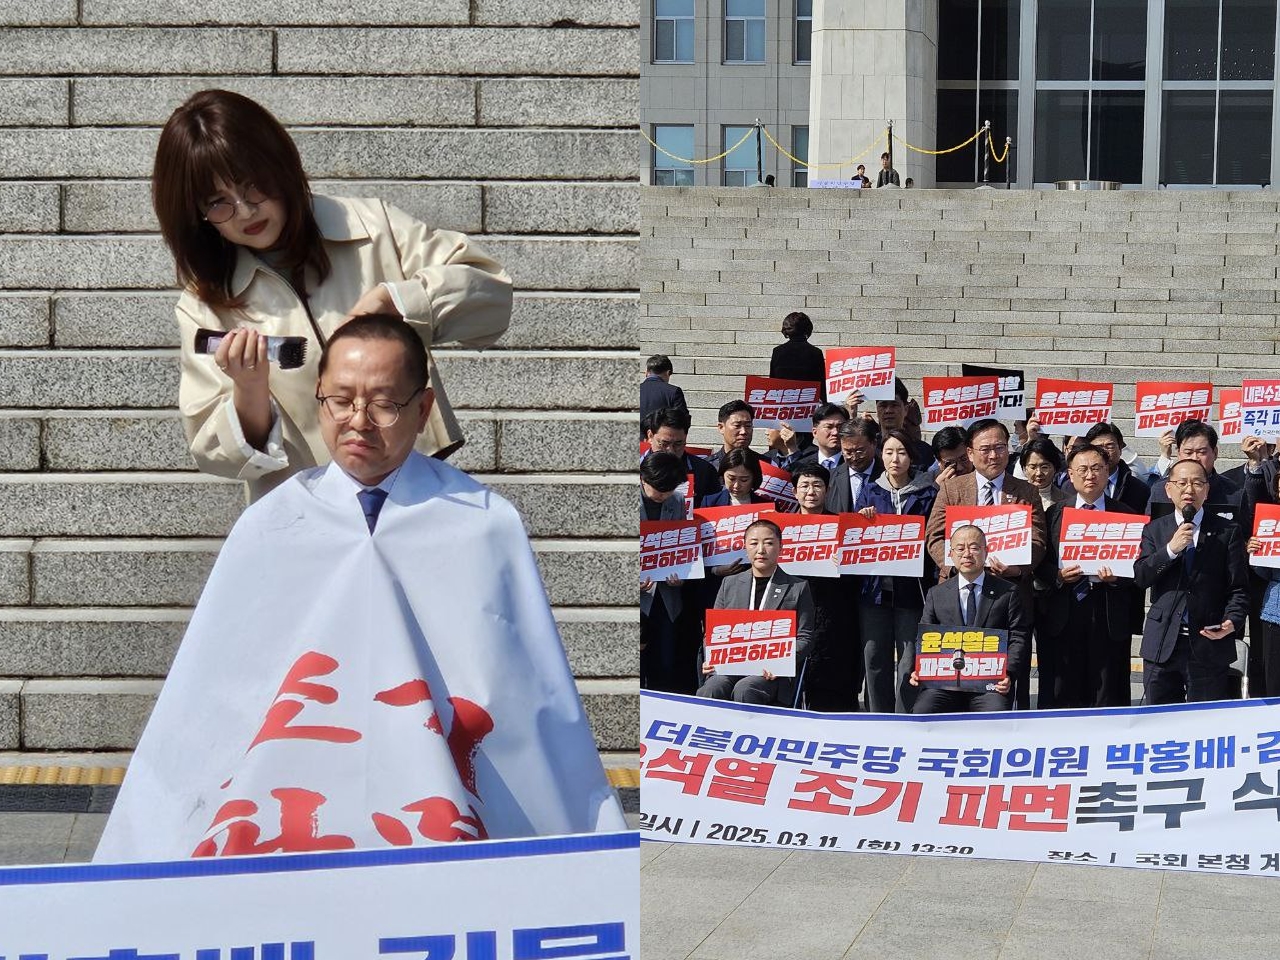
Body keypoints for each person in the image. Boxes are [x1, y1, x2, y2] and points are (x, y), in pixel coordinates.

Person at [95, 314, 621, 861]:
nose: (359, 421)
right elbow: (219, 688)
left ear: (422, 410)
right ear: (318, 399)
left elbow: (522, 693)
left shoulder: (484, 522)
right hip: (291, 808)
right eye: (340, 400)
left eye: (384, 403)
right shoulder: (272, 523)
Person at [153, 90, 512, 502]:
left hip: (416, 492)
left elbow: (490, 292)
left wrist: (401, 302)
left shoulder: (372, 227)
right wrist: (248, 391)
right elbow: (214, 450)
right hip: (302, 511)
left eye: (254, 187)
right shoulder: (206, 304)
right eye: (218, 203)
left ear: (281, 166)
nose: (245, 211)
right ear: (194, 215)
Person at [925, 418, 1046, 709]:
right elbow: (934, 537)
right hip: (960, 592)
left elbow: (1038, 541)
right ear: (969, 453)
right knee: (954, 673)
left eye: (1000, 448)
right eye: (986, 449)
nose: (994, 455)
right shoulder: (953, 489)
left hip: (1009, 593)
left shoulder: (1025, 491)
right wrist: (959, 565)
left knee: (1008, 676)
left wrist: (1017, 568)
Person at [1134, 459, 1250, 704]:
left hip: (1208, 642)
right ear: (1168, 489)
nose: (1189, 490)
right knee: (1158, 720)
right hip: (1163, 642)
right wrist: (1171, 550)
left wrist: (1232, 620)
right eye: (1182, 483)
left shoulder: (1227, 531)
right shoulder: (1154, 529)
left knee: (1204, 722)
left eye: (1197, 483)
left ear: (1207, 490)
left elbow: (1238, 587)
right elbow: (1142, 576)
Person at [1038, 443, 1142, 709]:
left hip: (1108, 611)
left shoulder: (1126, 515)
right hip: (1065, 608)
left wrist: (1117, 578)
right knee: (1062, 691)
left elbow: (1139, 568)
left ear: (1108, 472)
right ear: (1070, 475)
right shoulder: (1054, 514)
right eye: (1082, 469)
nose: (1090, 475)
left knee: (1107, 690)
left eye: (1097, 468)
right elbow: (1041, 563)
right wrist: (1059, 575)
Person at [857, 429, 938, 713]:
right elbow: (855, 533)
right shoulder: (870, 489)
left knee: (909, 659)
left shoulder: (928, 492)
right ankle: (878, 717)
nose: (895, 459)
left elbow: (934, 534)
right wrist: (862, 519)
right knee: (874, 656)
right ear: (881, 455)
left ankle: (906, 716)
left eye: (901, 452)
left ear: (911, 457)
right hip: (875, 590)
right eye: (889, 452)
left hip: (912, 589)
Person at [696, 519, 815, 707]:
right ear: (745, 547)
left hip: (771, 672)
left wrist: (782, 662)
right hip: (730, 666)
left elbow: (805, 637)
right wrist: (711, 656)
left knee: (746, 688)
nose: (761, 550)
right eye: (753, 543)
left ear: (781, 547)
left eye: (768, 543)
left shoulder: (798, 587)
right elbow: (712, 632)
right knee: (712, 689)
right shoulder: (729, 583)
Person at [911, 525, 1029, 714]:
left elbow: (1018, 636)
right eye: (960, 548)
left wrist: (1008, 672)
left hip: (989, 683)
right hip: (945, 684)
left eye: (974, 547)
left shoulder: (1007, 592)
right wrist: (918, 669)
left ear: (986, 551)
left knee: (995, 717)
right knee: (923, 712)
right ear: (950, 554)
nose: (967, 554)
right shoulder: (936, 593)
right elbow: (924, 639)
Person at [791, 462, 860, 711]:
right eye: (805, 486)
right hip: (793, 611)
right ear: (794, 492)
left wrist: (846, 563)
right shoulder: (781, 527)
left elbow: (858, 576)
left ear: (828, 490)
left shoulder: (843, 526)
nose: (811, 491)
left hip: (833, 610)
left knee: (832, 684)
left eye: (817, 485)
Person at [641, 450, 694, 694]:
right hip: (638, 597)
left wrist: (680, 577)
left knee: (665, 662)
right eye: (659, 490)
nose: (663, 495)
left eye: (669, 489)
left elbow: (681, 546)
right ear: (643, 479)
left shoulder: (676, 502)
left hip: (665, 596)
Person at [644, 406, 720, 501]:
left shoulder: (704, 471)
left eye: (678, 444)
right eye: (664, 443)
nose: (670, 450)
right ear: (650, 436)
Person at [1079, 423, 1150, 513]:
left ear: (1120, 449)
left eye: (1110, 447)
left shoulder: (1139, 490)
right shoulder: (1074, 486)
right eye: (1098, 448)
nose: (1105, 452)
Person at [825, 418, 882, 513]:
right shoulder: (829, 479)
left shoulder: (888, 476)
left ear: (874, 444)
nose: (854, 457)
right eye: (848, 452)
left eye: (860, 451)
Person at [769, 311, 826, 389]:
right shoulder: (816, 352)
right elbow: (821, 384)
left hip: (783, 398)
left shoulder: (777, 351)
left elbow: (773, 381)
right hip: (807, 398)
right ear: (807, 329)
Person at [699, 448, 769, 509]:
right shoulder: (710, 503)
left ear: (754, 478)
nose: (736, 485)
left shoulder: (766, 506)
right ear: (723, 475)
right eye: (731, 479)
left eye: (744, 480)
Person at [1018, 438, 1068, 512]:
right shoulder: (1013, 497)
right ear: (1025, 469)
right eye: (1033, 467)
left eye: (1044, 467)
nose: (1038, 473)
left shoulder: (1067, 501)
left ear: (1055, 468)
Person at [640, 354, 688, 430]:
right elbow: (682, 419)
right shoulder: (674, 391)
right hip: (661, 440)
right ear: (668, 373)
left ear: (646, 372)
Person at [707, 400, 754, 472]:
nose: (743, 431)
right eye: (737, 425)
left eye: (748, 425)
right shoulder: (706, 467)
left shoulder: (767, 466)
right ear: (721, 427)